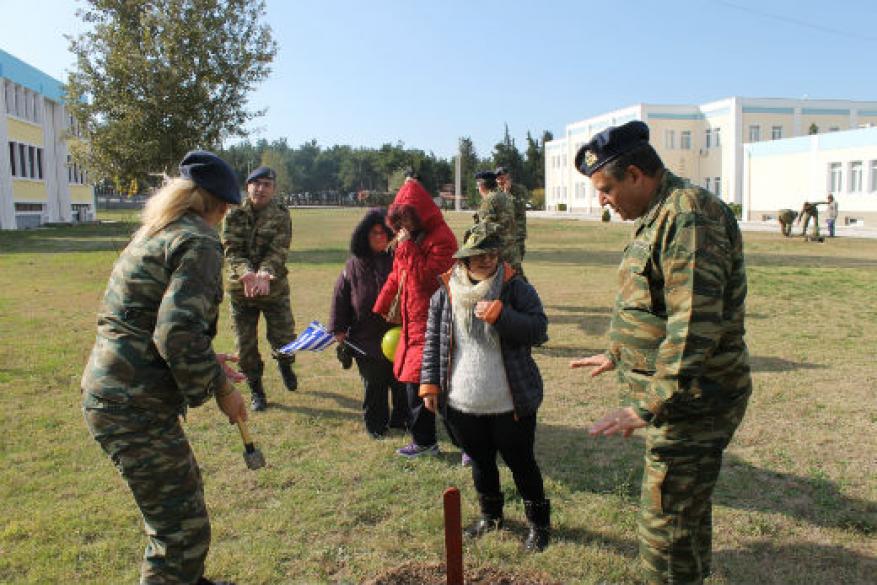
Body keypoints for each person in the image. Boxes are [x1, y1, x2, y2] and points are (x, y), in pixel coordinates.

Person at [569, 121, 751, 585]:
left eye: (606, 189)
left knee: (665, 527)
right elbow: (654, 301)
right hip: (682, 399)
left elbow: (694, 325)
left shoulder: (689, 215)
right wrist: (618, 352)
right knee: (683, 512)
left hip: (695, 401)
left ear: (635, 174)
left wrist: (648, 405)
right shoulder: (660, 212)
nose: (602, 200)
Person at [81, 151, 247, 585]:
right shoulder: (199, 239)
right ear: (219, 205)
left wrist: (207, 361)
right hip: (133, 404)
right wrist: (223, 390)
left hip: (117, 394)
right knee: (181, 532)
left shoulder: (156, 231)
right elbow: (176, 335)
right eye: (226, 210)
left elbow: (147, 320)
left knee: (182, 508)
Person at [420, 222, 551, 551]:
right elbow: (434, 341)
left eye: (492, 254)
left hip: (510, 401)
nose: (487, 260)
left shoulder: (516, 288)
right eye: (479, 255)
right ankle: (490, 516)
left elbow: (539, 330)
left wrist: (502, 316)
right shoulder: (445, 292)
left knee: (522, 463)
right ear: (464, 259)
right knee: (480, 462)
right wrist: (430, 384)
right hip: (463, 401)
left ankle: (539, 526)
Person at [373, 178, 458, 457]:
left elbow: (429, 279)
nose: (404, 223)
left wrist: (408, 247)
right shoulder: (406, 240)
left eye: (408, 216)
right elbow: (398, 275)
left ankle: (469, 445)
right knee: (413, 385)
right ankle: (424, 441)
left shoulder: (442, 238)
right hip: (413, 323)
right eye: (399, 218)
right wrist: (381, 306)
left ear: (421, 213)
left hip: (436, 321)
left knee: (441, 389)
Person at [222, 166, 297, 412]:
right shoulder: (233, 213)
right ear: (248, 186)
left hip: (273, 289)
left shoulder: (281, 214)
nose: (261, 189)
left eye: (267, 184)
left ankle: (285, 364)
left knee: (285, 339)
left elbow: (279, 249)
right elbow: (232, 249)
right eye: (257, 183)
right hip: (241, 291)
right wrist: (247, 274)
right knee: (245, 348)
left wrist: (265, 273)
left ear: (273, 189)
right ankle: (256, 390)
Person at [330, 208, 409, 438]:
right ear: (364, 235)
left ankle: (402, 420)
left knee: (400, 381)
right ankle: (376, 424)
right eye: (374, 232)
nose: (379, 237)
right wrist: (338, 329)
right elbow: (340, 298)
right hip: (365, 338)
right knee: (374, 384)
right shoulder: (352, 266)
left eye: (384, 232)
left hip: (397, 334)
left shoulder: (400, 260)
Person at [470, 170, 520, 272]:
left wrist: (473, 232)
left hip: (498, 255)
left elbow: (486, 230)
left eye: (478, 186)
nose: (478, 189)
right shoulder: (504, 197)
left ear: (482, 186)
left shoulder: (489, 201)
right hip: (512, 252)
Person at [495, 166, 529, 265]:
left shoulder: (519, 190)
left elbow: (518, 208)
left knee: (515, 265)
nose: (500, 181)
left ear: (508, 178)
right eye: (498, 179)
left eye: (502, 178)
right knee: (501, 266)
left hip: (517, 235)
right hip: (501, 236)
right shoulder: (495, 192)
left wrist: (507, 193)